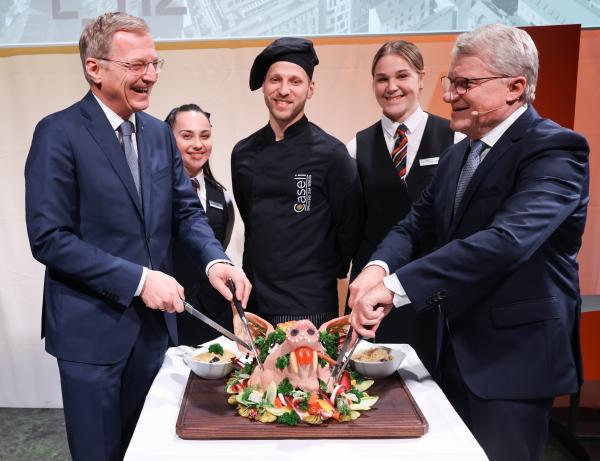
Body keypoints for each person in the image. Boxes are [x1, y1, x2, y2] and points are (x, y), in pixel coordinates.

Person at [349, 24, 589, 461]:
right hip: (450, 351)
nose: (449, 95)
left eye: (466, 84)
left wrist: (394, 288)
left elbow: (505, 241)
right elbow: (414, 225)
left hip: (511, 364)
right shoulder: (462, 152)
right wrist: (375, 269)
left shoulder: (555, 149)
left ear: (515, 87)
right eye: (450, 82)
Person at [24, 12, 250, 461]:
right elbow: (49, 238)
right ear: (95, 68)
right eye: (136, 65)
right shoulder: (58, 133)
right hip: (91, 336)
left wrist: (215, 260)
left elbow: (185, 212)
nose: (150, 76)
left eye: (154, 63)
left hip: (154, 336)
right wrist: (141, 280)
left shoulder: (158, 135)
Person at [232, 37, 364, 327]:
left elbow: (349, 229)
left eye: (295, 81)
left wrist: (323, 270)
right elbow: (250, 220)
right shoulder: (243, 153)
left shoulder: (331, 153)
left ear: (310, 89)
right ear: (264, 86)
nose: (283, 90)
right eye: (275, 80)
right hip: (255, 302)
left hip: (311, 302)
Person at [347, 40, 457, 368]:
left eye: (402, 76)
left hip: (433, 287)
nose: (392, 87)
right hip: (371, 289)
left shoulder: (456, 139)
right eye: (382, 79)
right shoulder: (355, 147)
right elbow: (348, 221)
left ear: (421, 78)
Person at [165, 104, 235, 346]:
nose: (198, 144)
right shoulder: (152, 194)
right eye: (187, 136)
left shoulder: (222, 196)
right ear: (168, 138)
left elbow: (217, 248)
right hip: (165, 314)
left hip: (211, 318)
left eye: (204, 136)